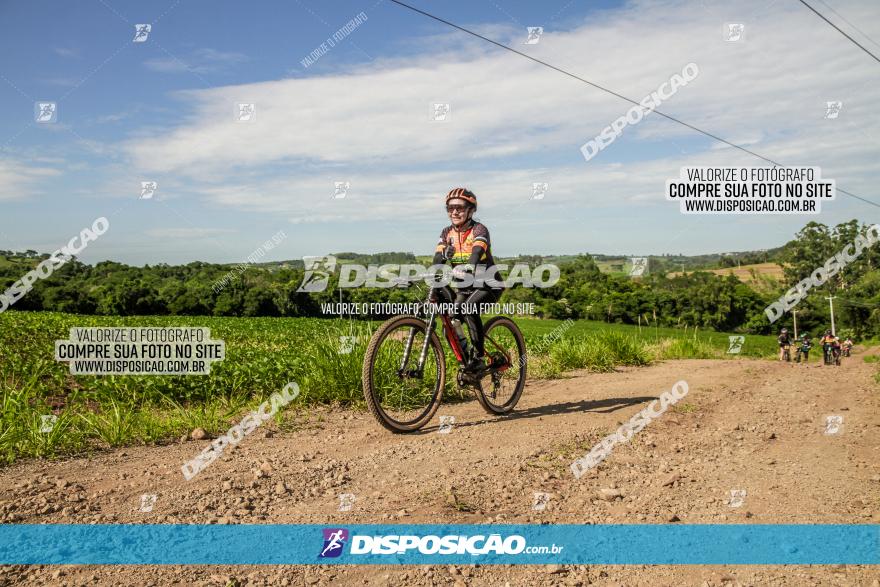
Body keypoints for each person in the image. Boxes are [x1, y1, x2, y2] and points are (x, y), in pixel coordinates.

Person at [431, 187, 504, 374]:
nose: (454, 212)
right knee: (451, 325)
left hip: (489, 284)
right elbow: (439, 256)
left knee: (468, 308)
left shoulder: (479, 229)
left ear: (471, 210)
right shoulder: (447, 232)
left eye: (460, 208)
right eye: (450, 208)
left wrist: (470, 266)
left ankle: (479, 358)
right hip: (465, 287)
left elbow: (478, 250)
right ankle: (467, 362)